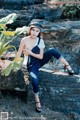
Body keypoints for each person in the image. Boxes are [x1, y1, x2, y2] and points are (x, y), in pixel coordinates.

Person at [15, 22, 74, 112]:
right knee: (34, 79)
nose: (34, 32)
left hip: (39, 61)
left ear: (39, 32)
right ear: (30, 30)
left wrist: (30, 52)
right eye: (33, 30)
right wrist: (14, 63)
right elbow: (19, 54)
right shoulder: (24, 40)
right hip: (31, 65)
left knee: (52, 50)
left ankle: (67, 65)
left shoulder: (40, 41)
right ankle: (37, 100)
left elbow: (41, 57)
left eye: (37, 31)